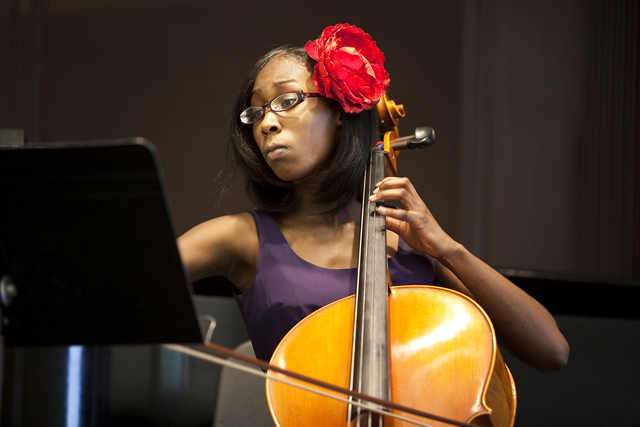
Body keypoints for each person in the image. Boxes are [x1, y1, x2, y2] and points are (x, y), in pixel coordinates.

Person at [177, 24, 569, 372]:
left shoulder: (408, 248)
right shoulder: (240, 238)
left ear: (341, 112)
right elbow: (129, 283)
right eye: (256, 111)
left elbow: (552, 352)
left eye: (285, 100)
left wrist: (447, 250)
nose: (267, 122)